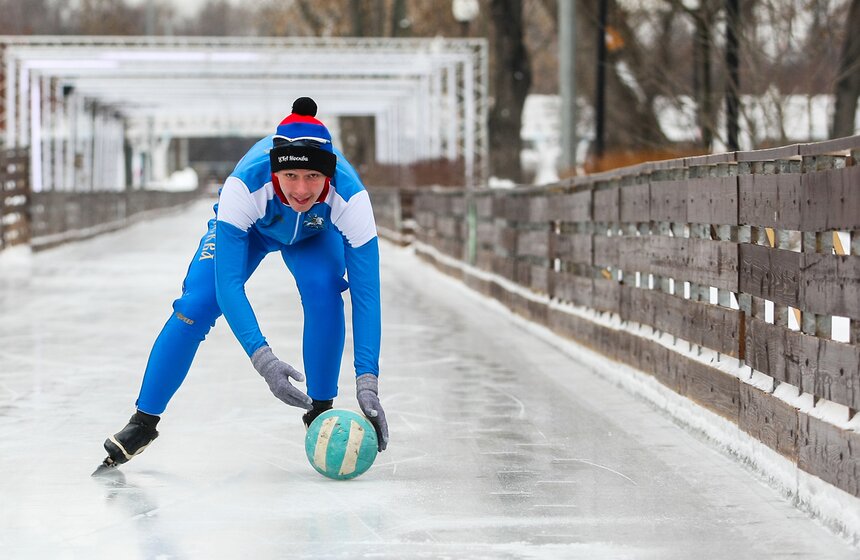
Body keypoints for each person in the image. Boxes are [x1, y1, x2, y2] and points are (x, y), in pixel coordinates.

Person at [98, 97, 388, 471]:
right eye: (291, 177)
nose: (301, 190)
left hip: (315, 235)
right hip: (251, 232)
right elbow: (229, 287)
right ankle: (143, 422)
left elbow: (367, 295)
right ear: (274, 172)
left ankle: (319, 410)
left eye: (313, 177)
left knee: (324, 289)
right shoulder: (243, 186)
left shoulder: (351, 198)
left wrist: (367, 382)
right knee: (196, 305)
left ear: (329, 176)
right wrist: (263, 360)